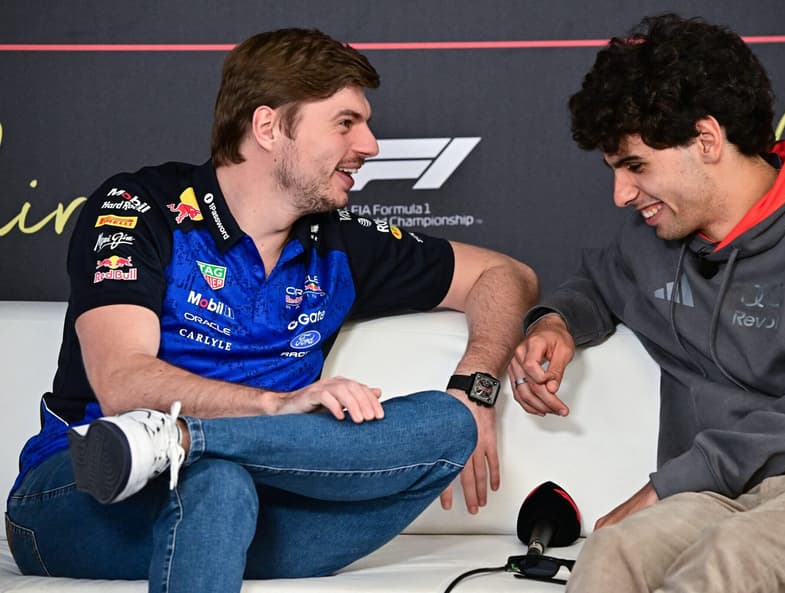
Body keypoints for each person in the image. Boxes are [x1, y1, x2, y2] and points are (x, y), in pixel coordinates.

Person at [5, 27, 538, 592]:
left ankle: (187, 441)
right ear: (268, 127)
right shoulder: (140, 207)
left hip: (269, 500)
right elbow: (123, 382)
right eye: (345, 123)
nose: (371, 145)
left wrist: (478, 380)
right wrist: (279, 404)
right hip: (90, 492)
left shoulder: (341, 244)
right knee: (219, 484)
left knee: (450, 423)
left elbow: (507, 275)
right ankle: (182, 450)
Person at [509, 13, 785, 593]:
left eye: (635, 166)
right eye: (614, 170)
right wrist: (558, 323)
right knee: (613, 555)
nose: (620, 194)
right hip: (727, 497)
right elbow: (598, 282)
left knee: (733, 566)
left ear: (707, 139)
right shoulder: (655, 237)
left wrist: (669, 484)